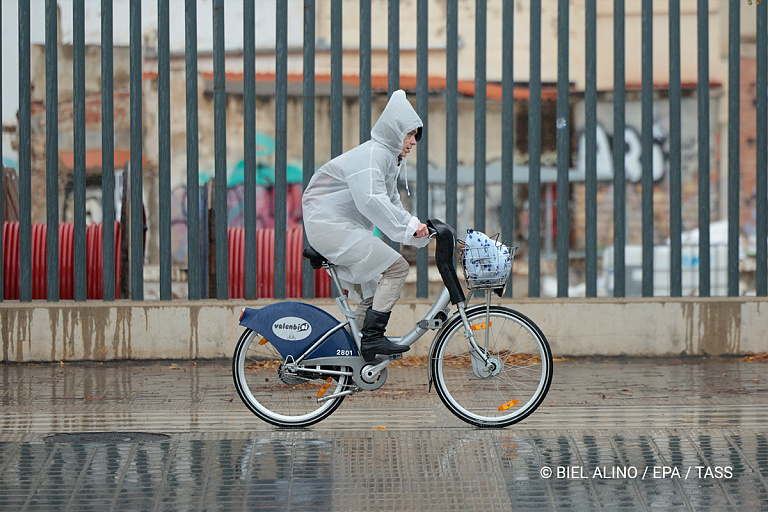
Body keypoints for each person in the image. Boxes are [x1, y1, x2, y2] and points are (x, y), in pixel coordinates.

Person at [302, 89, 430, 362]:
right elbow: (372, 200)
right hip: (330, 226)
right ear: (394, 132)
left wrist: (419, 231)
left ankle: (353, 360)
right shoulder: (373, 156)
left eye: (416, 135)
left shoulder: (387, 159)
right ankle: (371, 340)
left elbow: (392, 204)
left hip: (341, 227)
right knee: (397, 268)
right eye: (410, 134)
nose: (414, 142)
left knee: (373, 294)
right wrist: (409, 227)